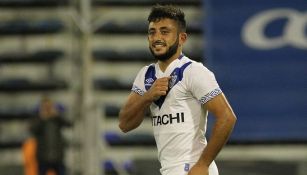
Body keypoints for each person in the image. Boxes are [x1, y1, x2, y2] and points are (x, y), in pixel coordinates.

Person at [119, 4, 237, 175]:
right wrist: (148, 96)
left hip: (192, 168)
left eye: (165, 32)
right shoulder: (145, 75)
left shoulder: (194, 71)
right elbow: (125, 124)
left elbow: (227, 117)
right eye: (152, 32)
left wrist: (203, 164)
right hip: (168, 169)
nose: (157, 37)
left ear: (182, 38)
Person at [30, 96, 71, 175]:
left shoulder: (56, 118)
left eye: (49, 106)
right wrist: (42, 118)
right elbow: (32, 130)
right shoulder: (37, 118)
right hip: (43, 157)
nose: (47, 109)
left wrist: (57, 115)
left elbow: (69, 124)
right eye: (45, 107)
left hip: (57, 156)